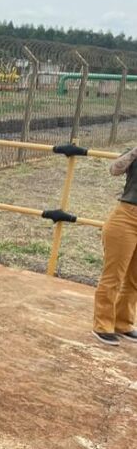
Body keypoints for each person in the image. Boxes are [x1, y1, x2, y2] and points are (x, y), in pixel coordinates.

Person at [92, 143, 137, 346]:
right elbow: (114, 170)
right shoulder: (132, 152)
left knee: (134, 278)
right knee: (114, 275)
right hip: (127, 216)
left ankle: (123, 323)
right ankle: (103, 324)